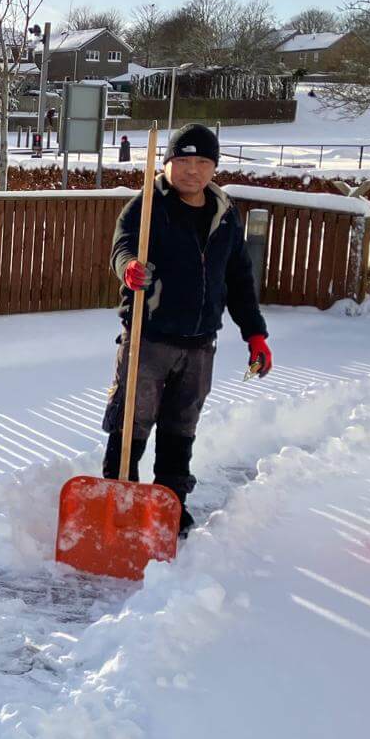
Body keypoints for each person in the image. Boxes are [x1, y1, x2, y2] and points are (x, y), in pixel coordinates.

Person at [103, 124, 271, 532]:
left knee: (181, 428)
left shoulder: (225, 215)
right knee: (132, 422)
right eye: (183, 161)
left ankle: (170, 505)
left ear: (214, 166)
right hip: (150, 338)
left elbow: (239, 279)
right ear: (168, 163)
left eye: (202, 162)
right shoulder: (147, 207)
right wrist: (130, 270)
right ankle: (118, 501)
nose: (192, 171)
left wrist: (255, 333)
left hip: (199, 345)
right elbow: (122, 247)